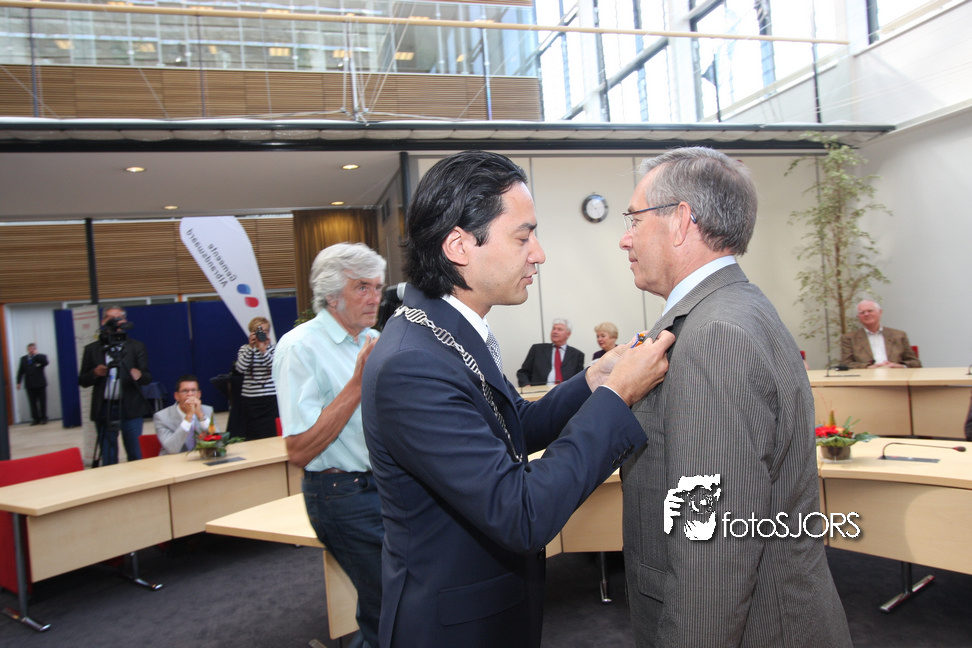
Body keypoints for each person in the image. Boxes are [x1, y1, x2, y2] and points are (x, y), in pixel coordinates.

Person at [360, 150, 674, 648]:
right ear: (459, 246)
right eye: (523, 237)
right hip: (454, 630)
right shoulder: (412, 363)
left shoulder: (449, 331)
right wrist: (617, 398)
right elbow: (521, 513)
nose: (539, 254)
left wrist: (594, 379)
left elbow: (513, 428)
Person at [618, 147, 851, 647]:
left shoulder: (715, 334)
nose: (625, 237)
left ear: (680, 221)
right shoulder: (730, 311)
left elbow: (712, 551)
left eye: (634, 219)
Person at [272, 243, 386, 648]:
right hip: (341, 494)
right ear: (332, 295)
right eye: (362, 287)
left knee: (393, 602)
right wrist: (356, 384)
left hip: (385, 487)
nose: (375, 298)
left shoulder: (374, 339)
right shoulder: (299, 347)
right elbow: (299, 450)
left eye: (378, 287)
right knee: (390, 603)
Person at [78, 306, 153, 465]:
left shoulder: (136, 347)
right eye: (111, 318)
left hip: (131, 407)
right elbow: (82, 381)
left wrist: (139, 375)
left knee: (135, 453)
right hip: (104, 408)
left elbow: (147, 378)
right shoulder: (92, 349)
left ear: (125, 321)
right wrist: (94, 373)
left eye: (119, 318)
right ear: (103, 321)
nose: (116, 321)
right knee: (108, 456)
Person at [839, 299, 921, 368]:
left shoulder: (899, 335)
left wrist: (900, 366)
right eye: (862, 312)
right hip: (866, 379)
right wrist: (867, 367)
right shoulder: (850, 338)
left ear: (880, 312)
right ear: (858, 317)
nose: (866, 314)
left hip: (896, 377)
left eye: (870, 311)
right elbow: (846, 364)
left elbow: (915, 363)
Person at [234, 316, 279, 440]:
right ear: (251, 333)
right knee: (253, 431)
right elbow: (240, 368)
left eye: (265, 331)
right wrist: (252, 348)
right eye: (258, 331)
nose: (261, 334)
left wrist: (264, 350)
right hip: (251, 399)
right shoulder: (245, 349)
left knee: (272, 430)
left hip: (271, 397)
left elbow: (275, 368)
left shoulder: (274, 349)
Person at [153, 374, 218, 455]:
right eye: (185, 391)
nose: (190, 394)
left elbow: (218, 441)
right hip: (174, 460)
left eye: (193, 390)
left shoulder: (207, 410)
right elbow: (172, 449)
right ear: (176, 396)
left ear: (199, 394)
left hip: (201, 458)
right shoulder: (162, 417)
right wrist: (188, 417)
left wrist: (201, 415)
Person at [515, 318, 585, 386]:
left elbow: (579, 379)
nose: (555, 332)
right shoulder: (537, 350)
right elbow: (523, 373)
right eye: (553, 329)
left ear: (568, 334)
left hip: (565, 391)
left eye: (559, 329)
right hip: (540, 390)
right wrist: (526, 386)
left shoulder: (577, 355)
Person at [16, 343, 49, 425]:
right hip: (29, 384)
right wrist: (18, 382)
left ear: (35, 349)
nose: (31, 350)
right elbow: (20, 372)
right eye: (29, 349)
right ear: (27, 350)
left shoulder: (41, 357)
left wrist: (36, 355)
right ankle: (35, 419)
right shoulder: (23, 359)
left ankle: (43, 418)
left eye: (32, 348)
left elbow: (45, 363)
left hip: (40, 384)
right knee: (32, 402)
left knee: (42, 401)